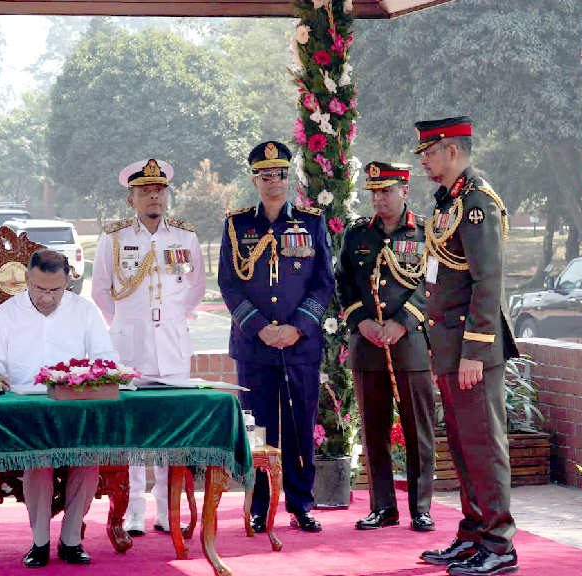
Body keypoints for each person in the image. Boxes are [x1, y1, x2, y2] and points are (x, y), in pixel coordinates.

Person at [414, 117, 520, 576]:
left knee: (483, 446)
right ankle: (474, 533)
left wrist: (474, 352)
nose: (423, 160)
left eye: (429, 152)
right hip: (450, 348)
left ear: (452, 150)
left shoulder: (477, 204)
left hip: (472, 352)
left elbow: (487, 281)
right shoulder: (448, 204)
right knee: (462, 445)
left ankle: (500, 544)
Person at [218, 141, 335, 533]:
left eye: (281, 175)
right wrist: (260, 329)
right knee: (259, 429)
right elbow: (229, 285)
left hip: (300, 346)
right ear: (254, 179)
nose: (275, 183)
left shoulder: (312, 221)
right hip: (254, 347)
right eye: (266, 176)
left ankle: (301, 504)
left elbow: (323, 284)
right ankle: (259, 504)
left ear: (290, 177)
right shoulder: (237, 225)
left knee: (301, 424)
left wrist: (297, 327)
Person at [0, 249, 119, 568]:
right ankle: (39, 542)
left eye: (55, 290)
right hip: (26, 412)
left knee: (87, 458)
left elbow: (106, 359)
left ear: (68, 281)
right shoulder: (6, 313)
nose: (46, 297)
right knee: (38, 460)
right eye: (39, 289)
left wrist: (92, 376)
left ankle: (71, 540)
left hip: (75, 410)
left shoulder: (84, 312)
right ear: (26, 279)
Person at [91, 158, 206, 536]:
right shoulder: (114, 237)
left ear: (167, 196)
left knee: (169, 429)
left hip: (172, 342)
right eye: (144, 192)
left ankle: (166, 510)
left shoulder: (184, 236)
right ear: (131, 199)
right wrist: (126, 323)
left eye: (159, 191)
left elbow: (196, 288)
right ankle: (135, 511)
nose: (153, 198)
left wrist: (172, 318)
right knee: (134, 429)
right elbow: (101, 290)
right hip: (130, 341)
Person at [334, 161, 437, 533]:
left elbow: (433, 285)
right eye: (374, 191)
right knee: (374, 432)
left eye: (387, 190)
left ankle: (421, 508)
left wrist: (402, 322)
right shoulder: (358, 234)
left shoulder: (427, 233)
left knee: (417, 431)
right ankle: (383, 508)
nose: (379, 198)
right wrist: (360, 320)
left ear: (404, 191)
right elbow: (343, 282)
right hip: (368, 344)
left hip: (409, 344)